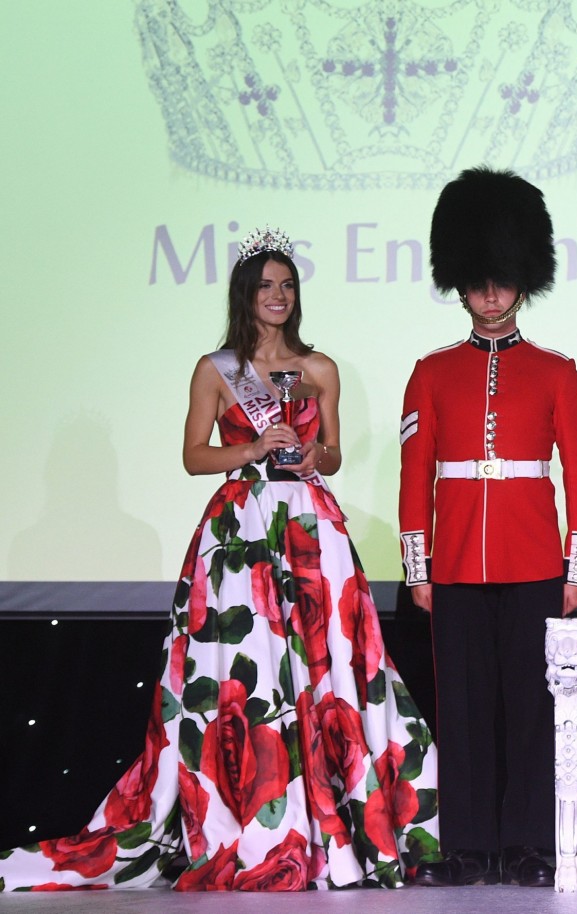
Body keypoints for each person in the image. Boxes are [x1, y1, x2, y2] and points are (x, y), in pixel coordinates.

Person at [0, 227, 439, 892]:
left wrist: (315, 455)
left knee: (326, 670)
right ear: (245, 295)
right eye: (266, 286)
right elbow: (193, 455)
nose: (278, 296)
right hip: (241, 528)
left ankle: (335, 818)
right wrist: (254, 448)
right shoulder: (216, 370)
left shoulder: (320, 369)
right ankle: (255, 818)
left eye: (287, 285)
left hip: (310, 529)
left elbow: (334, 452)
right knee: (248, 673)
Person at [401, 167, 577, 888]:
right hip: (454, 561)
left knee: (530, 708)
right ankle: (467, 845)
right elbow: (415, 476)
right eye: (479, 281)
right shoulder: (431, 372)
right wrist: (418, 566)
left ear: (523, 282)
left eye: (502, 280)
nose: (490, 294)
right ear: (461, 285)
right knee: (462, 709)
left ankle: (527, 844)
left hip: (534, 560)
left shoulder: (557, 372)